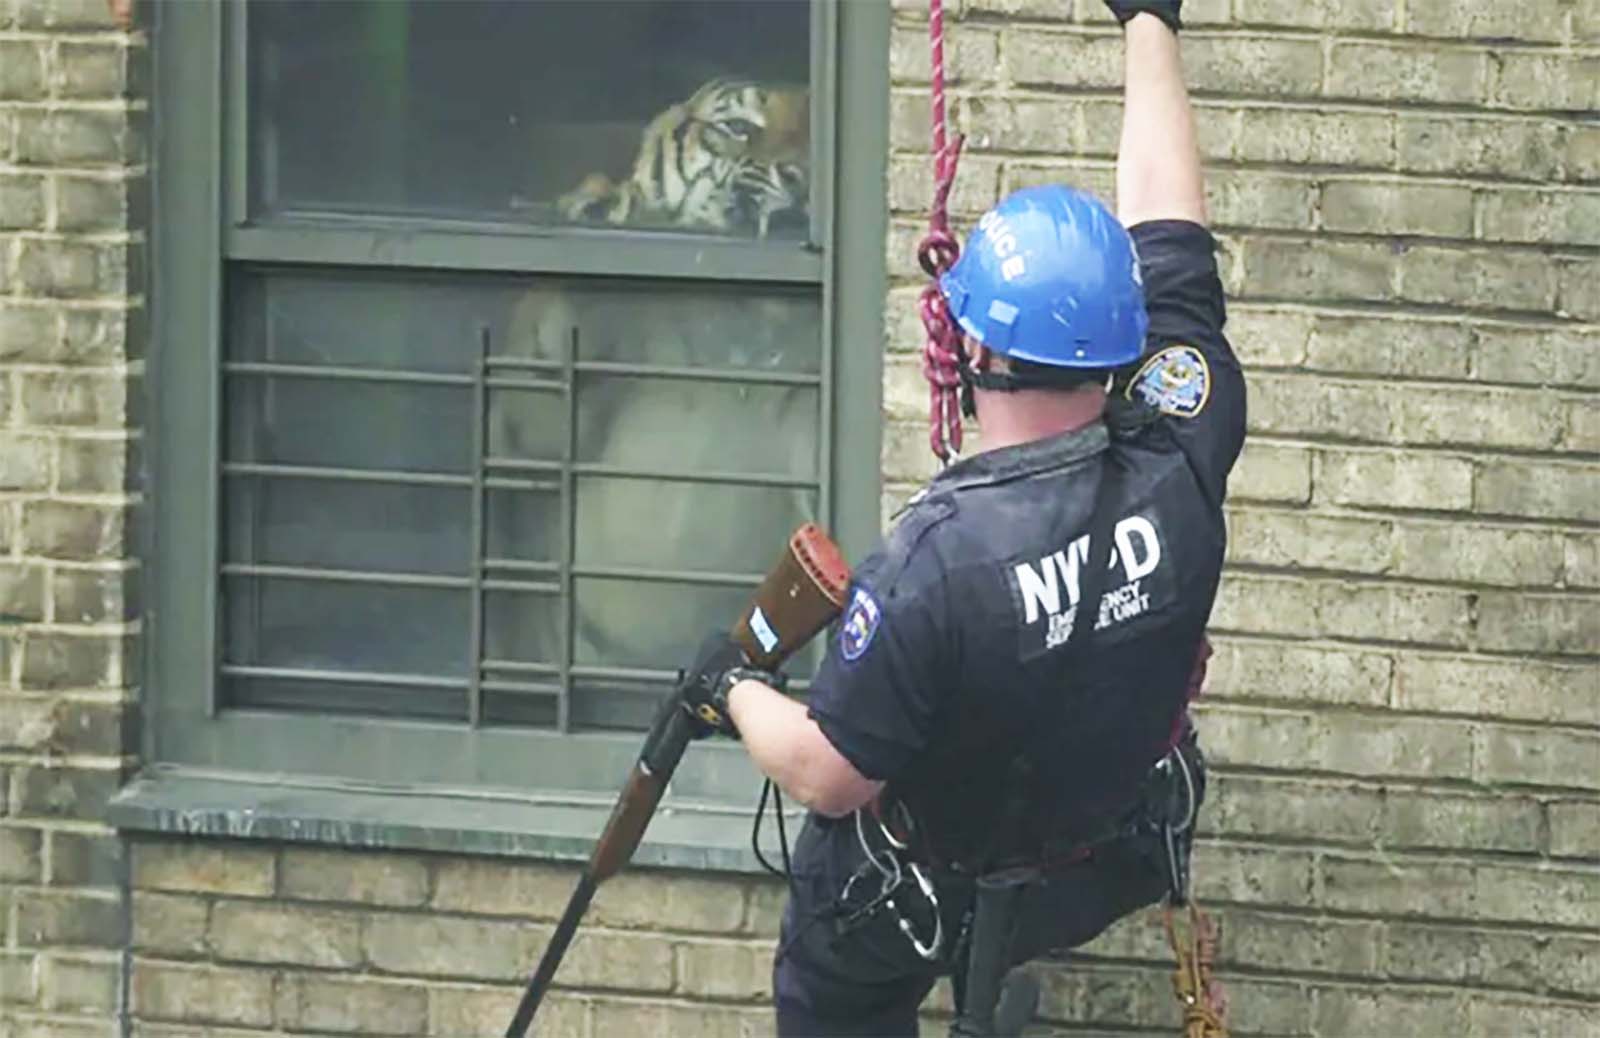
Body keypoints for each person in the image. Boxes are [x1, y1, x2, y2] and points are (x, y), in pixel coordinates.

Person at [679, 2, 1245, 1033]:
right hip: (1101, 859)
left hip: (927, 900)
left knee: (827, 944)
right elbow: (1171, 229)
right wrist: (1149, 22)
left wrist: (731, 690)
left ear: (973, 352)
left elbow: (828, 775)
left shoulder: (934, 567)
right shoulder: (1182, 436)